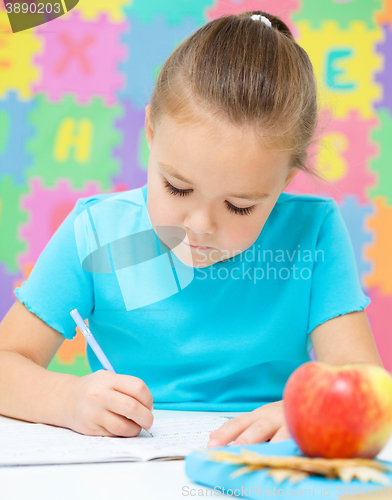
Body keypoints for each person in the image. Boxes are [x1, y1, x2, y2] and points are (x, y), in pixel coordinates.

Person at [0, 11, 383, 448]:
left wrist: (312, 414)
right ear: (150, 131)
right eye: (177, 187)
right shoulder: (95, 231)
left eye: (240, 207)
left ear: (285, 183)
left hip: (260, 465)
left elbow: (365, 382)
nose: (199, 226)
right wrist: (67, 399)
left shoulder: (312, 231)